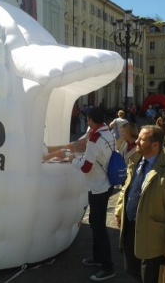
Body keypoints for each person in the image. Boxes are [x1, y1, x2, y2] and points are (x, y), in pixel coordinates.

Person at [114, 125, 165, 283]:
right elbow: (126, 189)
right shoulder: (136, 162)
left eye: (142, 139)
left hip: (153, 237)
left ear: (155, 145)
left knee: (149, 277)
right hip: (130, 230)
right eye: (138, 137)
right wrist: (119, 211)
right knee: (130, 269)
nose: (137, 142)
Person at [68, 107, 115, 281]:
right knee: (96, 224)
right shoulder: (107, 132)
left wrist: (73, 160)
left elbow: (86, 167)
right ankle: (98, 258)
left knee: (99, 227)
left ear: (90, 120)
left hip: (97, 187)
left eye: (87, 120)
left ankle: (107, 266)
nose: (86, 122)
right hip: (104, 183)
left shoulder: (94, 138)